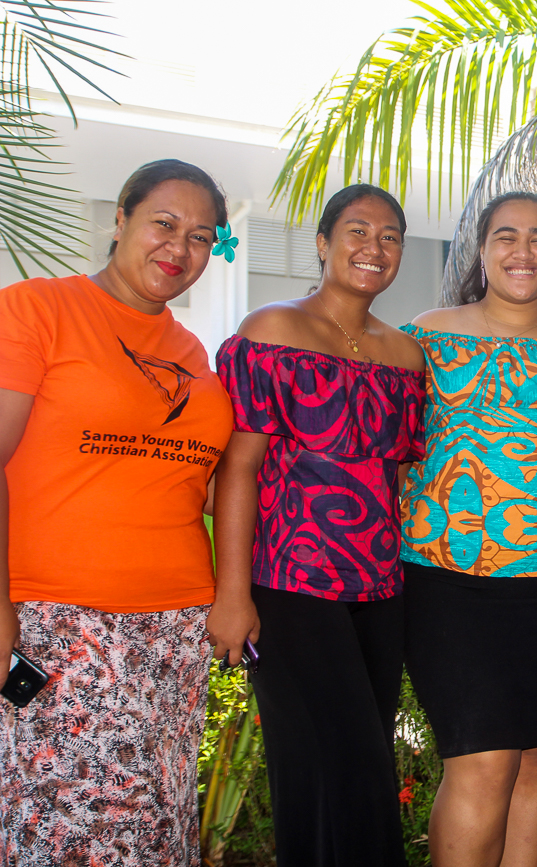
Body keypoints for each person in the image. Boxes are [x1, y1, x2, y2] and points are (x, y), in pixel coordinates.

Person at [0, 159, 235, 865]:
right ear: (120, 219)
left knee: (158, 827)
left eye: (201, 236)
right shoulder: (38, 308)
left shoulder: (192, 353)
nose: (179, 247)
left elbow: (204, 482)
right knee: (71, 833)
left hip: (175, 630)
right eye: (164, 223)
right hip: (60, 620)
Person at [400, 191, 537, 867]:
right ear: (482, 249)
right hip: (451, 584)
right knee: (483, 759)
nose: (523, 252)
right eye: (506, 237)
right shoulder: (426, 337)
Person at [211, 183, 426, 867]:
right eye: (357, 231)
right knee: (349, 768)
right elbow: (238, 468)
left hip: (379, 590)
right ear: (323, 242)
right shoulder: (272, 330)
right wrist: (233, 594)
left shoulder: (405, 355)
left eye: (390, 237)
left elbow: (396, 479)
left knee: (334, 766)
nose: (374, 248)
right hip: (290, 584)